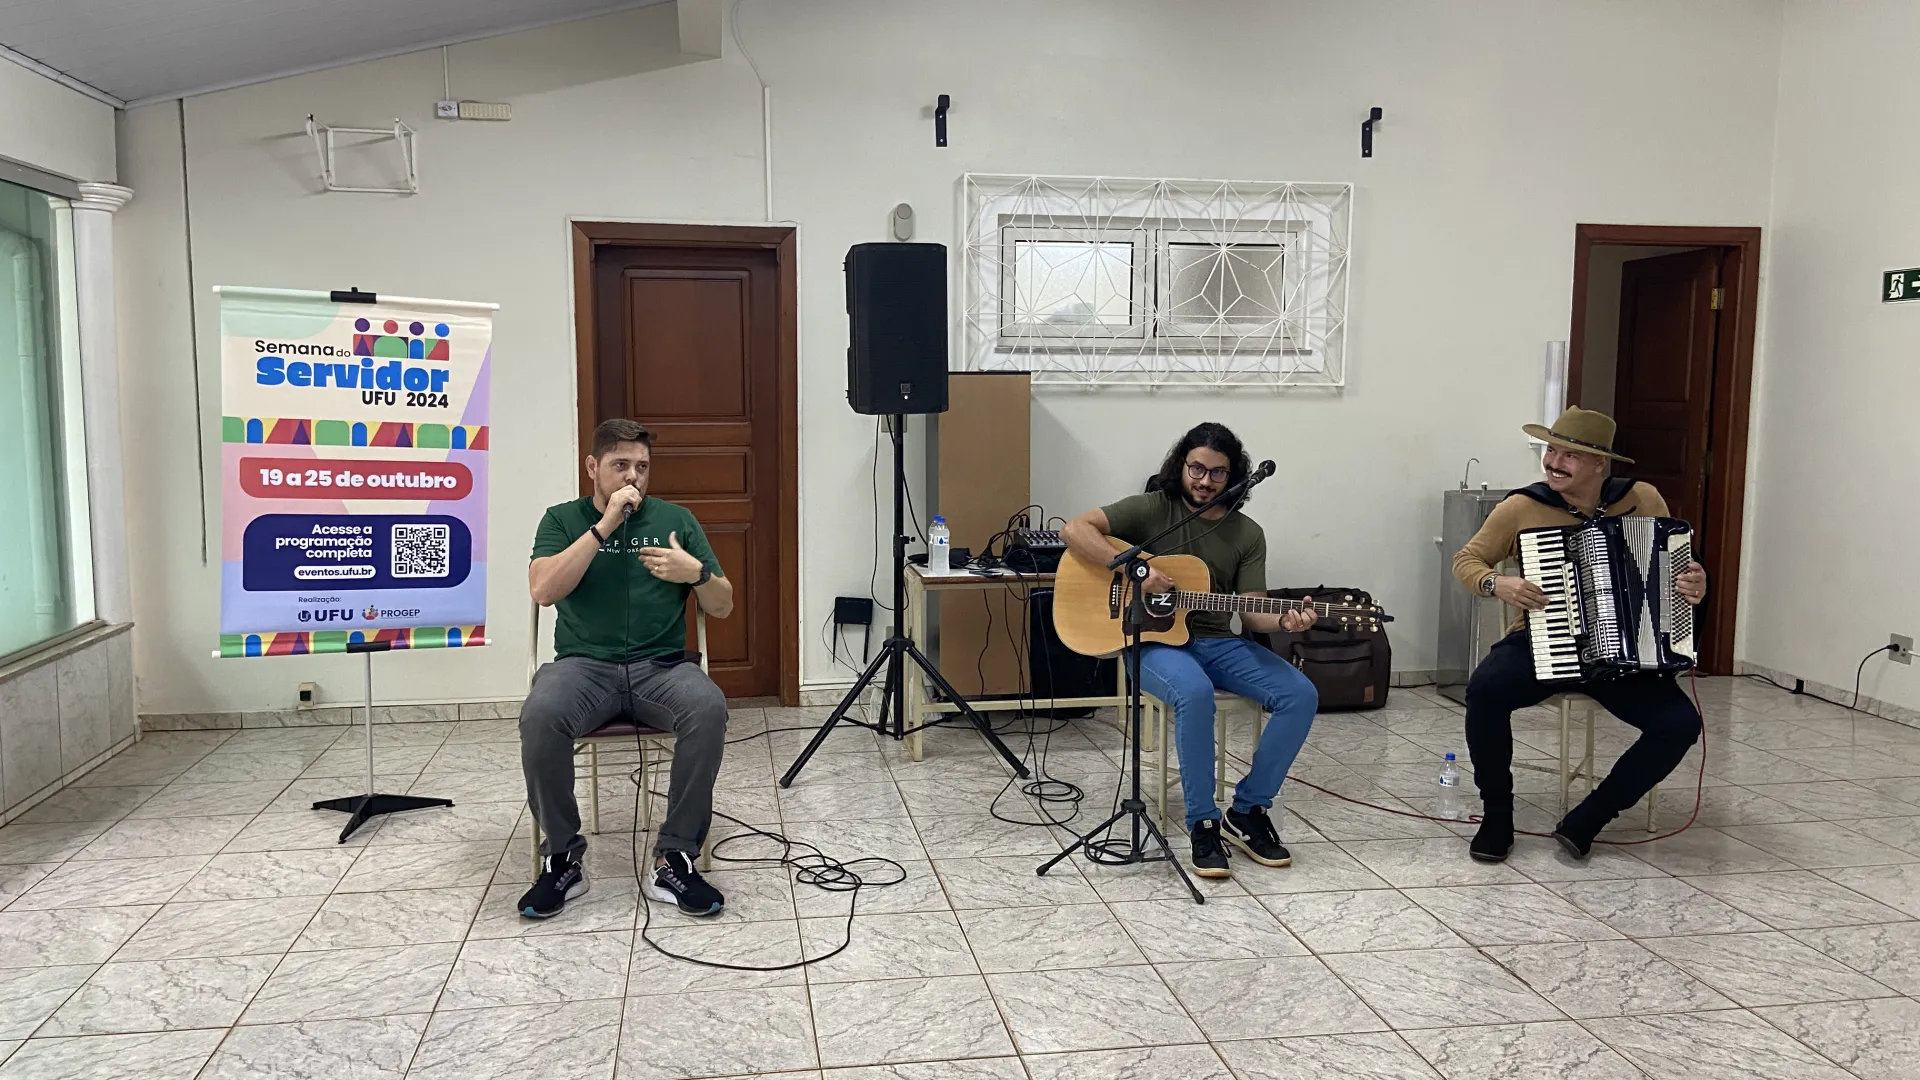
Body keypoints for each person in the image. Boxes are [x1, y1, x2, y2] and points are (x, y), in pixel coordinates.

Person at [1060, 422, 1318, 879]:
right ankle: (1203, 822)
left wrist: (1284, 620)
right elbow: (1075, 530)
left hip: (1218, 641)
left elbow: (1253, 613)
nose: (1204, 481)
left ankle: (1248, 810)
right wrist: (1139, 570)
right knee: (1194, 693)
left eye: (1218, 473)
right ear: (1181, 465)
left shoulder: (1247, 534)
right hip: (1152, 642)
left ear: (1234, 477)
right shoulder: (1155, 508)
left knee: (1300, 694)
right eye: (1196, 468)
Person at [1452, 407, 1706, 862]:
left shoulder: (1641, 498)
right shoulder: (1522, 507)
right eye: (1551, 450)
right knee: (1485, 690)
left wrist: (1695, 580)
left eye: (1568, 455)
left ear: (1599, 463)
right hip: (1543, 639)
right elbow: (1467, 561)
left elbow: (1676, 566)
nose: (1553, 462)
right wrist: (1498, 583)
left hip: (1624, 652)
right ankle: (1497, 816)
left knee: (1681, 724)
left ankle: (1590, 817)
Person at [520, 418, 735, 918]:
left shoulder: (677, 519)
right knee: (540, 714)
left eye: (642, 466)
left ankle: (675, 856)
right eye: (620, 465)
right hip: (583, 668)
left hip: (660, 669)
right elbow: (543, 590)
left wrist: (697, 573)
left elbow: (722, 605)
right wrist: (605, 526)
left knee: (708, 707)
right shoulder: (562, 519)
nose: (633, 477)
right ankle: (563, 857)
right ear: (592, 467)